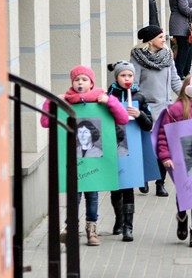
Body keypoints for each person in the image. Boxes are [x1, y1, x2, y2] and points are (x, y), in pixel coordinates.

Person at [40, 65, 129, 246]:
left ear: (91, 83)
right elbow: (45, 122)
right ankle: (71, 227)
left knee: (92, 195)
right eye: (77, 79)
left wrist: (109, 101)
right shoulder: (67, 102)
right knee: (75, 196)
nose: (80, 82)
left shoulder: (100, 99)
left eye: (84, 79)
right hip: (73, 161)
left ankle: (92, 230)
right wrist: (51, 102)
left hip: (95, 162)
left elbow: (123, 118)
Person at [156, 73, 192, 247]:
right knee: (184, 192)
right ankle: (182, 216)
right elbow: (164, 134)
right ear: (190, 89)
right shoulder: (175, 110)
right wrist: (165, 156)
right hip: (180, 161)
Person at [130, 24, 182, 197]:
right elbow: (133, 84)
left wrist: (187, 95)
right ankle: (142, 177)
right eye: (160, 37)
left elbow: (175, 80)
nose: (164, 40)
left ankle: (161, 183)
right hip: (146, 109)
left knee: (163, 148)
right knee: (147, 147)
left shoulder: (167, 56)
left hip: (165, 109)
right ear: (151, 40)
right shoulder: (137, 58)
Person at [107, 60, 154, 242]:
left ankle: (128, 226)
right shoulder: (109, 97)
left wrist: (140, 114)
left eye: (129, 75)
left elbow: (149, 124)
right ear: (116, 77)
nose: (126, 79)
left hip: (132, 149)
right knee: (115, 189)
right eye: (122, 75)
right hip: (114, 148)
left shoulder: (139, 97)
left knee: (128, 188)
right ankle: (118, 219)